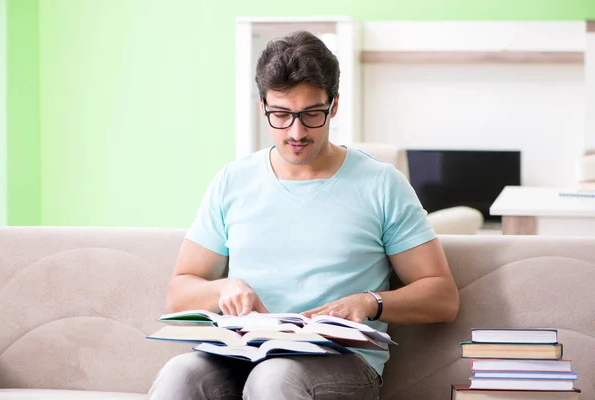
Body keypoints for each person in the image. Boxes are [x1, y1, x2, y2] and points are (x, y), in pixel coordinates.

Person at [147, 30, 459, 400]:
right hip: (241, 353)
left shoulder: (381, 184)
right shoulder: (233, 181)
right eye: (281, 115)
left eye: (312, 114)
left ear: (334, 105)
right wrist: (224, 287)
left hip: (341, 361)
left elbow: (442, 297)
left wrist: (369, 302)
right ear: (263, 106)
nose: (296, 132)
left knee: (274, 378)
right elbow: (179, 293)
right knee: (180, 374)